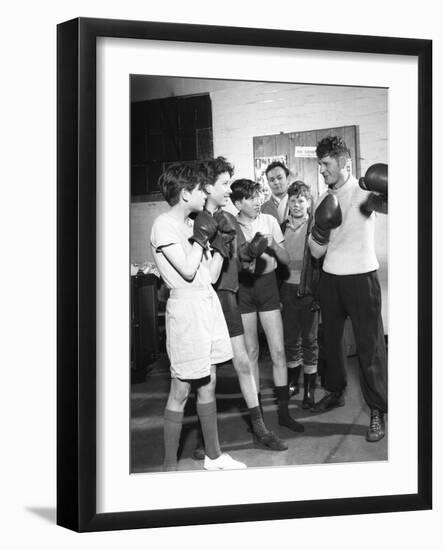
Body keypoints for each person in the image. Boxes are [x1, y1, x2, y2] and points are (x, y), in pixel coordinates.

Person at [150, 162, 246, 471]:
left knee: (209, 382)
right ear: (184, 194)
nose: (205, 193)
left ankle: (214, 457)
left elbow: (210, 274)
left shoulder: (194, 223)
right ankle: (169, 467)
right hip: (186, 310)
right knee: (181, 388)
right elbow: (187, 270)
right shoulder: (163, 225)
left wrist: (221, 246)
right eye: (199, 189)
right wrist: (202, 237)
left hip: (207, 304)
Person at [198, 157, 287, 452]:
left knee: (244, 363)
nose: (227, 189)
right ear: (207, 187)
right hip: (201, 301)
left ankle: (260, 428)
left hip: (229, 296)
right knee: (203, 373)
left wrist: (249, 253)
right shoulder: (195, 219)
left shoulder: (228, 221)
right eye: (223, 184)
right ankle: (206, 439)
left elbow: (242, 266)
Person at [308, 135, 388, 443]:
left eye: (326, 164)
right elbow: (316, 252)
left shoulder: (364, 191)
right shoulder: (321, 199)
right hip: (330, 277)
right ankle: (335, 392)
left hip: (361, 277)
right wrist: (321, 227)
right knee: (331, 342)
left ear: (344, 162)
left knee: (369, 347)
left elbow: (398, 206)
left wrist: (391, 188)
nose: (322, 170)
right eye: (319, 165)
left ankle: (377, 410)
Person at [231, 178, 304, 433]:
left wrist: (273, 244)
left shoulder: (270, 221)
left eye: (258, 196)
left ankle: (284, 413)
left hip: (268, 288)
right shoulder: (231, 225)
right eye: (251, 198)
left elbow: (285, 259)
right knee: (251, 353)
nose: (257, 201)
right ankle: (258, 418)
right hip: (245, 291)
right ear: (238, 203)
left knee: (278, 352)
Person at [280, 181, 320, 409]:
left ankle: (309, 390)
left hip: (308, 291)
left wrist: (317, 294)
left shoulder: (314, 229)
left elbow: (320, 263)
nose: (296, 204)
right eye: (293, 200)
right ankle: (294, 383)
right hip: (286, 290)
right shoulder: (281, 226)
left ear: (309, 203)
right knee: (290, 340)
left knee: (310, 341)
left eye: (301, 200)